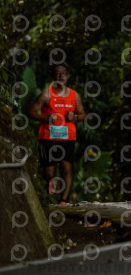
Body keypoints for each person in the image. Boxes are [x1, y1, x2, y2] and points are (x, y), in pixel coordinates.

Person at [28, 63, 86, 204]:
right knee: (49, 173)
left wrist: (75, 117)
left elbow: (82, 114)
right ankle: (50, 197)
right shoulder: (46, 94)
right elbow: (31, 111)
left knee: (66, 169)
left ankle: (63, 201)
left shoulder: (74, 95)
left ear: (68, 76)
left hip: (67, 137)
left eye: (63, 73)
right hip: (48, 137)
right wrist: (46, 118)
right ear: (53, 76)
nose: (60, 76)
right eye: (57, 73)